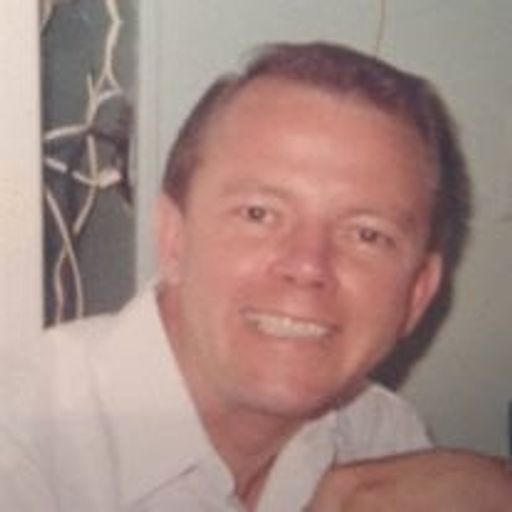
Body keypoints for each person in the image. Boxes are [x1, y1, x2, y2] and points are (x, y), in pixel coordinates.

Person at [1, 41, 510, 511]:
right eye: (259, 214)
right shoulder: (24, 451)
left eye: (366, 234)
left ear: (418, 294)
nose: (307, 265)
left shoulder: (383, 436)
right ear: (174, 240)